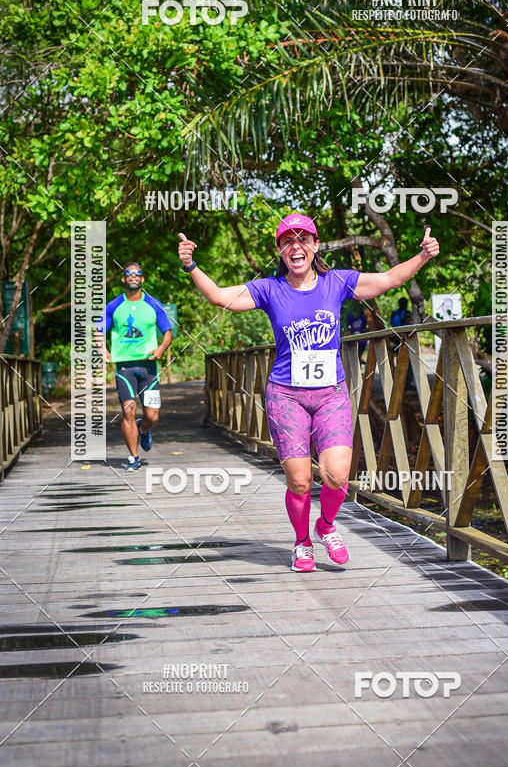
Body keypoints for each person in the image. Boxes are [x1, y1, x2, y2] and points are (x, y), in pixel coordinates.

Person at [177, 214, 439, 571]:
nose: (295, 246)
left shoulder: (337, 283)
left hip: (330, 393)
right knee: (299, 481)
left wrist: (422, 256)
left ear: (315, 246)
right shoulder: (269, 289)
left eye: (303, 239)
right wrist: (191, 265)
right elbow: (219, 297)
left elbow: (390, 279)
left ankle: (326, 525)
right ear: (280, 251)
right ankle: (302, 543)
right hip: (286, 396)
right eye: (287, 241)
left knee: (337, 475)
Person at [95, 262, 173, 470]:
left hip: (149, 368)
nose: (132, 277)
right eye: (128, 274)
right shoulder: (113, 306)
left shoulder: (154, 305)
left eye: (137, 274)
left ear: (142, 279)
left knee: (152, 415)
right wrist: (103, 349)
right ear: (123, 279)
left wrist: (160, 350)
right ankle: (134, 457)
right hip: (124, 367)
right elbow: (98, 329)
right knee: (128, 410)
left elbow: (168, 332)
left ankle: (144, 429)